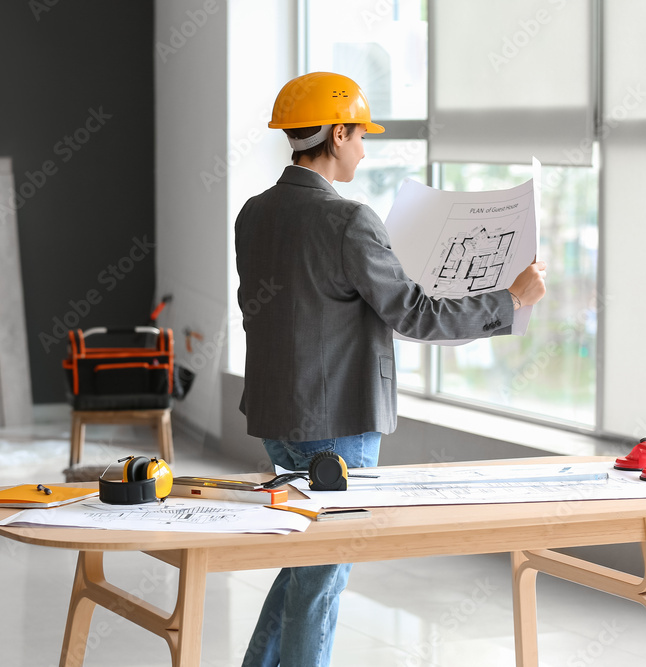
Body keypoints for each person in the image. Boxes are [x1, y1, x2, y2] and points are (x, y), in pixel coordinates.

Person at [235, 71, 547, 667]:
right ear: (338, 132)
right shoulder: (348, 220)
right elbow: (416, 314)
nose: (363, 147)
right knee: (323, 579)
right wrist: (512, 301)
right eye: (360, 134)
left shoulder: (255, 212)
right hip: (337, 424)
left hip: (279, 415)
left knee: (307, 563)